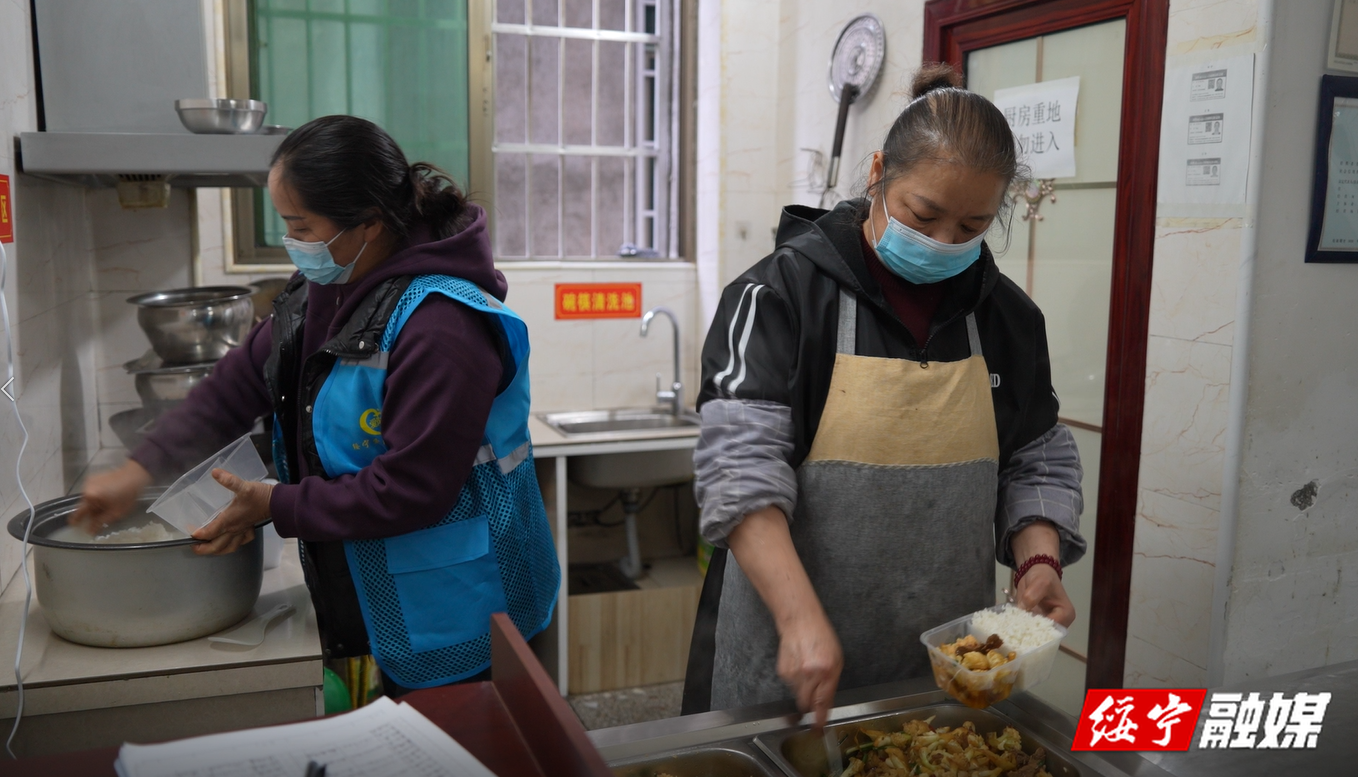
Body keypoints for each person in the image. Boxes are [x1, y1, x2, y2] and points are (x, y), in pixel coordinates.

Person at [72, 116, 560, 692]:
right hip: (367, 595)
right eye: (285, 224)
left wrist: (273, 504)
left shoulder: (442, 326)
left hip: (460, 612)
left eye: (301, 225)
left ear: (370, 224)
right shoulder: (323, 291)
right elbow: (236, 384)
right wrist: (138, 469)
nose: (292, 242)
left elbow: (413, 489)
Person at [682, 64, 1086, 723]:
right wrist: (799, 617)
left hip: (942, 670)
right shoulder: (778, 297)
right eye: (923, 214)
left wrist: (1038, 557)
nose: (943, 241)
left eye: (972, 225)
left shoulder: (1007, 319)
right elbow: (739, 473)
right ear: (877, 172)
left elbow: (1035, 457)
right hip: (791, 661)